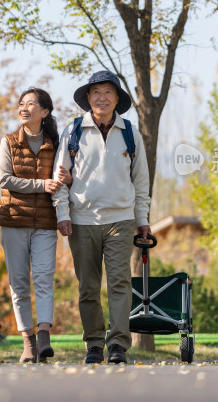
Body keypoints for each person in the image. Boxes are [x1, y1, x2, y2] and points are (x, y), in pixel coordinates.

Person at [52, 71, 151, 364]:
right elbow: (58, 178)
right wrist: (62, 213)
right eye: (96, 92)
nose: (102, 97)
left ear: (117, 98)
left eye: (108, 92)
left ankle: (118, 344)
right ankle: (94, 344)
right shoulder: (73, 131)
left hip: (121, 220)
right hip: (82, 220)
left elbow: (141, 181)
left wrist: (142, 219)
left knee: (120, 283)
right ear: (88, 98)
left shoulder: (131, 133)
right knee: (88, 287)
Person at [0, 87, 72, 363]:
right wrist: (42, 185)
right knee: (18, 284)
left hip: (45, 223)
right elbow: (4, 179)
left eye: (31, 104)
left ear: (44, 112)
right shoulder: (8, 142)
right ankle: (27, 343)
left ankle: (43, 337)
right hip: (13, 220)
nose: (24, 108)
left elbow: (64, 177)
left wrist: (67, 181)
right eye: (21, 104)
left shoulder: (55, 142)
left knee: (43, 278)